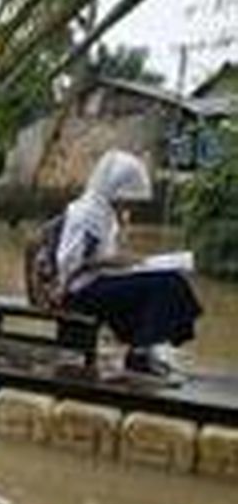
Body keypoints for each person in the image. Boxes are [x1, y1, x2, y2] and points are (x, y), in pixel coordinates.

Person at [56, 150, 203, 377]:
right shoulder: (85, 213)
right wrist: (113, 262)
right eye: (125, 197)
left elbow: (102, 258)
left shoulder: (105, 213)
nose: (128, 203)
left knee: (170, 279)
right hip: (80, 291)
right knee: (164, 285)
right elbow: (69, 264)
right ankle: (139, 353)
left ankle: (143, 348)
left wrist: (128, 264)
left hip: (97, 282)